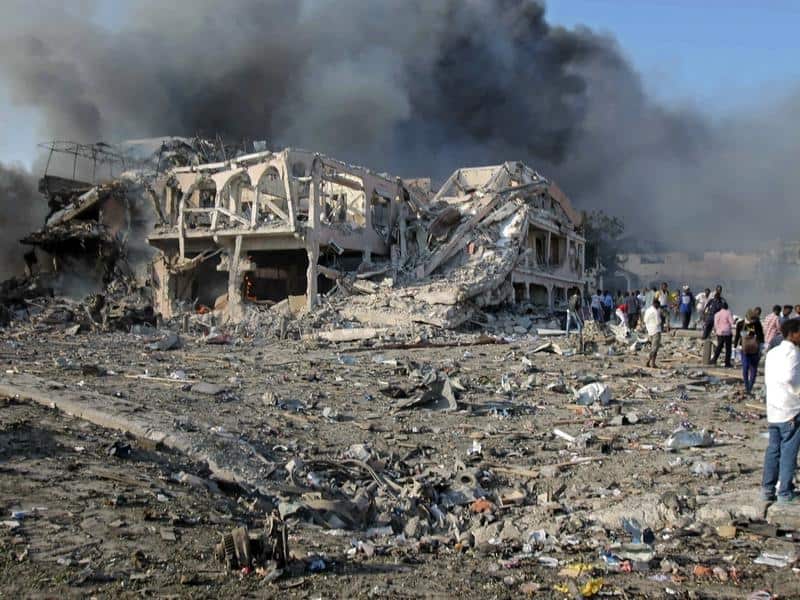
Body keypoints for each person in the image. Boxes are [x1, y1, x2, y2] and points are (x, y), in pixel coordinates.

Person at [761, 318, 800, 503]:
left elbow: (769, 379)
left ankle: (767, 490)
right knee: (788, 452)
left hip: (774, 408)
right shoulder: (793, 353)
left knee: (773, 450)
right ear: (793, 334)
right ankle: (784, 492)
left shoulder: (773, 352)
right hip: (790, 408)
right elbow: (789, 378)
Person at [735, 308, 765, 394]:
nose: (753, 321)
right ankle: (746, 385)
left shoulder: (756, 324)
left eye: (754, 319)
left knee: (754, 369)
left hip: (755, 349)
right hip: (743, 349)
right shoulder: (740, 324)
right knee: (745, 367)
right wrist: (735, 347)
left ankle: (750, 387)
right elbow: (737, 336)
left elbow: (761, 335)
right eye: (752, 319)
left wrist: (762, 346)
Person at [711, 301, 735, 367]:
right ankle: (727, 363)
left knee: (719, 346)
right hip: (727, 333)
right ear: (726, 306)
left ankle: (714, 360)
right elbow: (732, 322)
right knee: (728, 348)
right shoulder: (728, 312)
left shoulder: (717, 314)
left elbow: (715, 324)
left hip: (719, 332)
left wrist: (717, 330)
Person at [644, 299, 662, 368]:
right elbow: (658, 322)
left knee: (653, 347)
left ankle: (652, 363)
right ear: (656, 304)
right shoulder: (655, 311)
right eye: (658, 305)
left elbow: (645, 320)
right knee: (655, 348)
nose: (659, 306)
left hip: (650, 331)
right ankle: (648, 361)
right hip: (656, 330)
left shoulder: (648, 310)